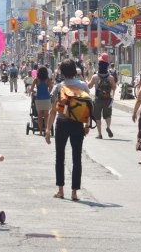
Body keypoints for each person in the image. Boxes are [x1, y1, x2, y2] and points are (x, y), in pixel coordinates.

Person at [45, 59, 91, 201]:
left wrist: (48, 129)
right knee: (77, 159)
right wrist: (87, 125)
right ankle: (74, 193)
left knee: (60, 157)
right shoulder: (83, 85)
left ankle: (60, 190)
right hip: (77, 124)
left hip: (62, 123)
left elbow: (53, 111)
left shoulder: (58, 87)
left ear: (62, 72)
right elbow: (88, 106)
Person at [86, 54, 117, 139]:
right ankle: (108, 127)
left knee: (98, 117)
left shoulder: (95, 77)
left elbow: (89, 86)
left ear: (99, 65)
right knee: (108, 115)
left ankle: (99, 134)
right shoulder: (110, 77)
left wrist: (86, 81)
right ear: (107, 66)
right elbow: (114, 87)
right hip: (108, 99)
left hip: (98, 99)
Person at [30, 66, 52, 135]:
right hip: (46, 98)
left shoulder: (36, 80)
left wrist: (35, 92)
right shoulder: (48, 80)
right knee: (46, 116)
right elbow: (51, 89)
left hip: (39, 98)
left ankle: (40, 132)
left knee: (39, 116)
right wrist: (47, 92)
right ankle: (46, 130)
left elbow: (31, 89)